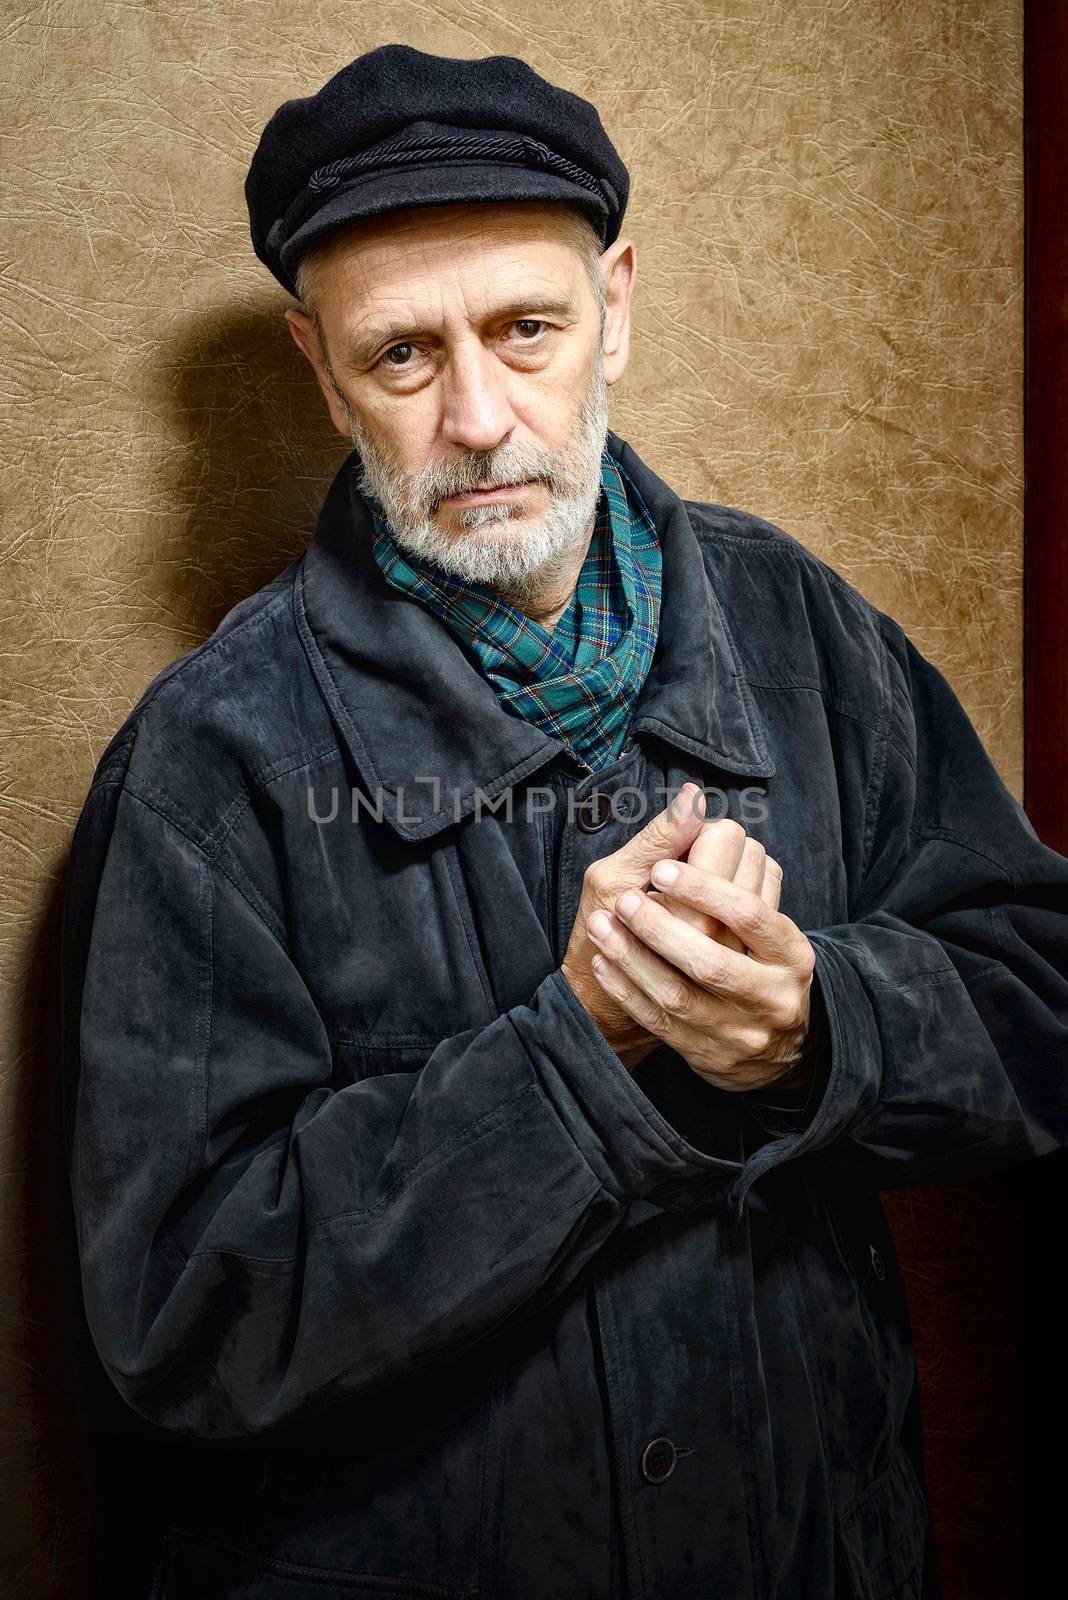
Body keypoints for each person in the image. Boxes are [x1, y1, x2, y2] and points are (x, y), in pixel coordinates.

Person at [59, 44, 1068, 1600]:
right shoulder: (212, 761)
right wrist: (581, 1050)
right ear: (320, 372)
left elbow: (1043, 1002)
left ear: (617, 312)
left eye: (527, 329)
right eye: (402, 357)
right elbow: (186, 1315)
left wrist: (822, 1022)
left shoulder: (803, 627)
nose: (478, 415)